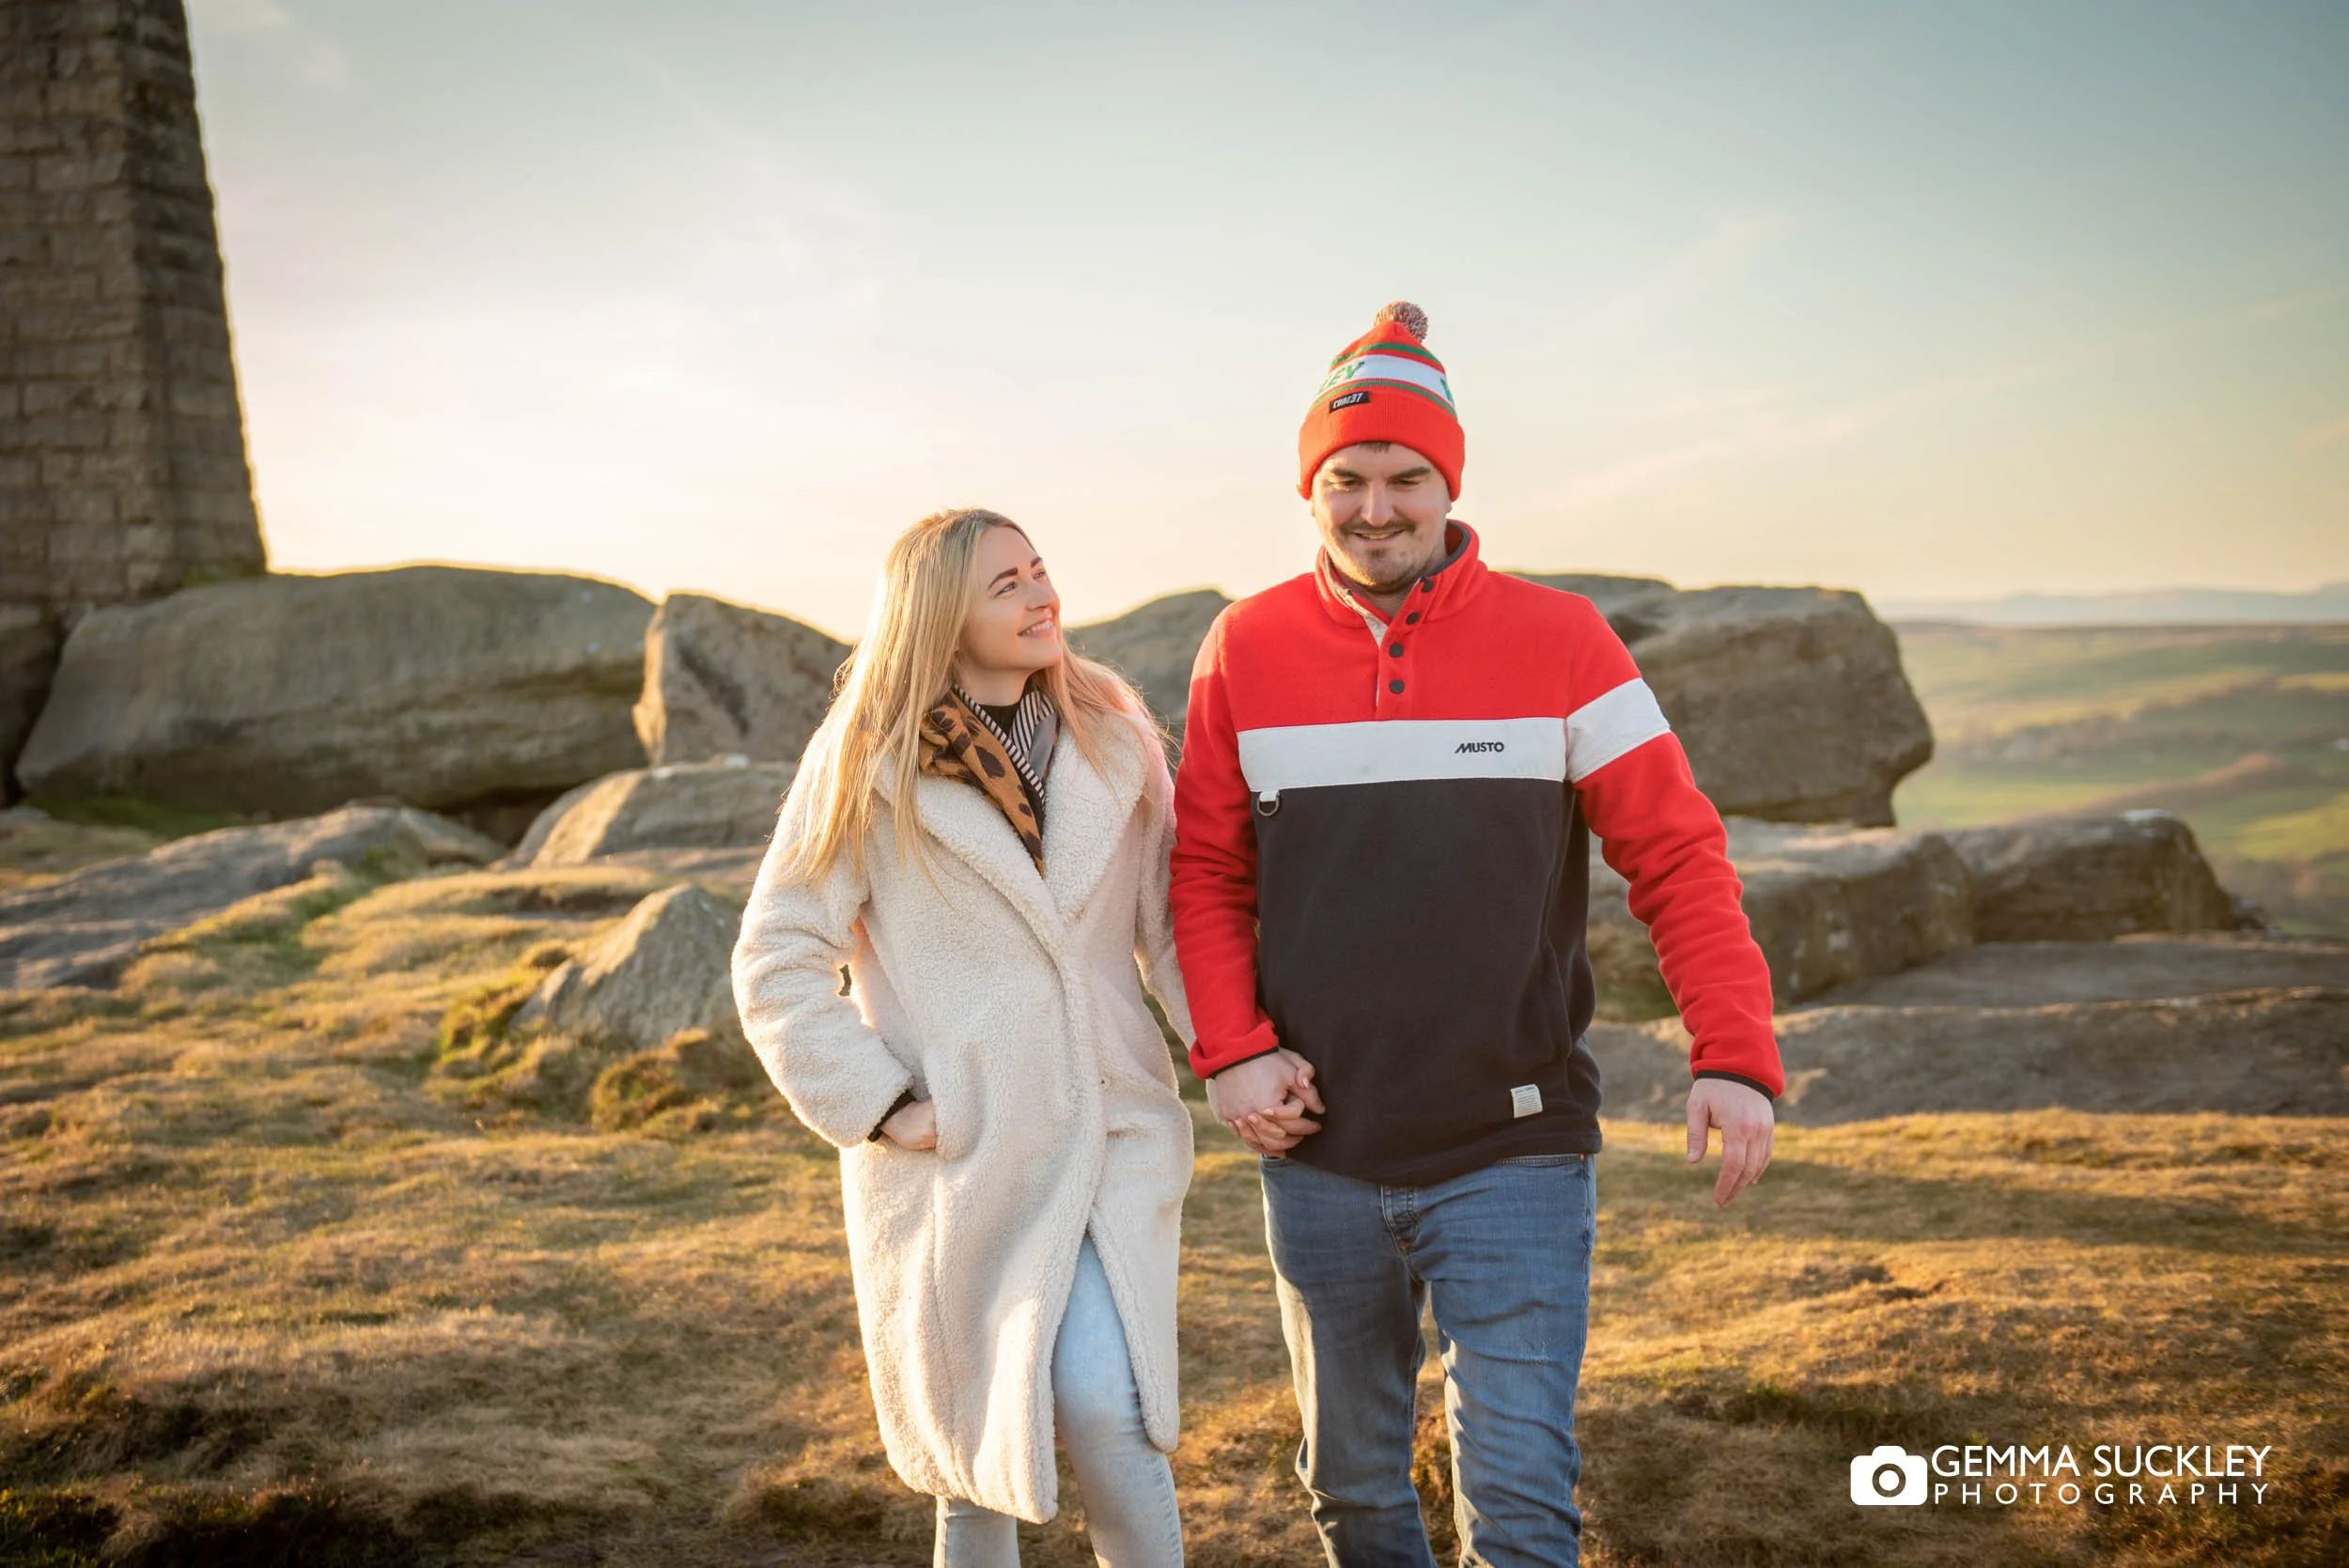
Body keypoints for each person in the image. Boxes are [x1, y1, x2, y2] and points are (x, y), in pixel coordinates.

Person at [1168, 303, 1783, 1565]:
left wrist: (1733, 1052)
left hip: (1516, 1151)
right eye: (1346, 481)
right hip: (1319, 1151)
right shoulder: (1245, 645)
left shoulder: (1564, 640)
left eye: (1406, 479)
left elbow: (1674, 852)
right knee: (1354, 1490)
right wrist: (1228, 1050)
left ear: (1450, 483)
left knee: (1519, 1503)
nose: (1375, 508)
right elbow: (1206, 873)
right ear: (1310, 489)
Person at [731, 507, 1194, 1567]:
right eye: (1006, 585)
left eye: (1040, 571)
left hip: (1113, 1123)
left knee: (1103, 1403)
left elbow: (1173, 925)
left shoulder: (1111, 735)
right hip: (961, 1153)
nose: (1042, 596)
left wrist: (1243, 1050)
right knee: (971, 1455)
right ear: (940, 616)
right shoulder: (864, 760)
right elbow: (776, 954)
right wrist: (883, 1105)